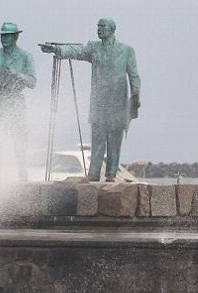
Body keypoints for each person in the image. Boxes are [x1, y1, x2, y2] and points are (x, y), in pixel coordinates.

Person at [40, 18, 141, 182]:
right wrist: (57, 49)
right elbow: (76, 51)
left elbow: (134, 75)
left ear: (112, 29)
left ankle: (110, 175)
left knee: (114, 141)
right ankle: (93, 174)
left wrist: (136, 94)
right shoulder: (94, 48)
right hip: (98, 101)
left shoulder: (127, 50)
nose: (99, 29)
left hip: (118, 103)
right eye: (98, 26)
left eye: (102, 27)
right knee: (98, 138)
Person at [0, 22, 36, 181]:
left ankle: (22, 176)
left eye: (7, 35)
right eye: (2, 36)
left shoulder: (26, 56)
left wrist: (17, 74)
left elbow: (32, 82)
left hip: (15, 101)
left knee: (19, 140)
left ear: (16, 36)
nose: (4, 39)